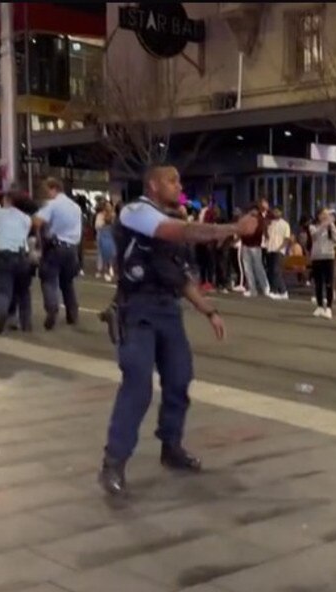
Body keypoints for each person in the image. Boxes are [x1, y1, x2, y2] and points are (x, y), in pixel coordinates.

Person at [98, 165, 257, 497]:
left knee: (180, 378)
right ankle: (114, 462)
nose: (179, 185)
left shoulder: (169, 219)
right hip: (137, 309)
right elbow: (179, 232)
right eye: (173, 180)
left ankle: (171, 446)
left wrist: (208, 310)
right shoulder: (137, 211)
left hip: (167, 309)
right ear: (154, 184)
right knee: (138, 385)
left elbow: (179, 277)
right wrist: (232, 228)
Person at [32, 177, 82, 330]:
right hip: (72, 248)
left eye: (46, 191)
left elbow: (37, 222)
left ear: (53, 189)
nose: (46, 194)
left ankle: (52, 308)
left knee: (49, 279)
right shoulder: (75, 207)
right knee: (67, 282)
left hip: (55, 246)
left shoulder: (52, 205)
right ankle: (72, 314)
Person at [0, 189, 36, 334]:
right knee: (23, 292)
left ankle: (1, 316)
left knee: (4, 291)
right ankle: (26, 324)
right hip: (22, 257)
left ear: (8, 201)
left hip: (3, 256)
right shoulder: (26, 218)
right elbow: (29, 237)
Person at [308, 208, 336, 318]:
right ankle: (320, 306)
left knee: (329, 283)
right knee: (318, 283)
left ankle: (329, 308)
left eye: (327, 215)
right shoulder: (313, 226)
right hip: (317, 257)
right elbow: (314, 236)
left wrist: (332, 225)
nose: (326, 216)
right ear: (319, 215)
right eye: (323, 214)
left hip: (328, 256)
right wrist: (324, 225)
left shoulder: (330, 226)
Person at [240, 200, 271, 298]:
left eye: (253, 210)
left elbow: (260, 231)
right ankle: (252, 289)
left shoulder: (260, 219)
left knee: (258, 267)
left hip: (255, 246)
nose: (251, 212)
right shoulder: (246, 219)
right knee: (247, 268)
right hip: (245, 245)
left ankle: (265, 288)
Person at [264, 207, 291, 299]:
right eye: (274, 211)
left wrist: (282, 248)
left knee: (276, 270)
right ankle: (276, 290)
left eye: (277, 211)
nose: (275, 213)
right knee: (270, 271)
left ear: (281, 212)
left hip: (279, 250)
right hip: (270, 249)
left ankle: (280, 290)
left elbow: (287, 238)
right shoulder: (270, 223)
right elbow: (266, 235)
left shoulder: (285, 224)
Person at [94, 200, 116, 282]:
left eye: (109, 206)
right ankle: (99, 270)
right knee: (100, 253)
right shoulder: (100, 215)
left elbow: (115, 227)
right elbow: (97, 226)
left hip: (110, 236)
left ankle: (109, 268)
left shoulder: (113, 215)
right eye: (106, 206)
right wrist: (104, 223)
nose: (108, 208)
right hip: (101, 236)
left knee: (110, 253)